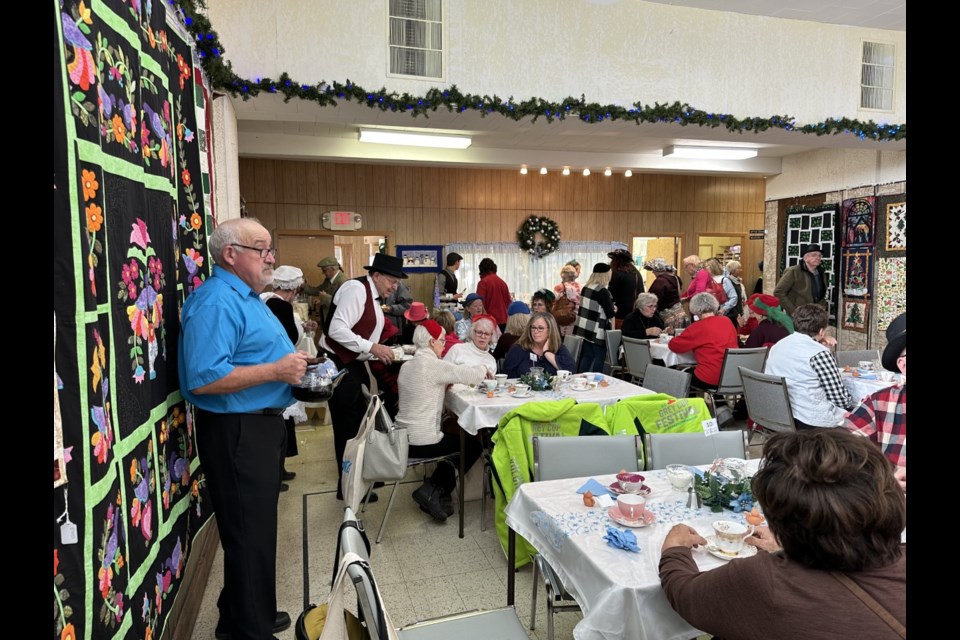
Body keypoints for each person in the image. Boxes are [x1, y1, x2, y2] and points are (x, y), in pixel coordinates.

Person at [179, 218, 310, 640]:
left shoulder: (248, 296)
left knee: (255, 532)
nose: (270, 257)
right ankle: (248, 630)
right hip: (237, 431)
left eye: (270, 249)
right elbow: (203, 377)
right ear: (230, 254)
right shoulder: (217, 301)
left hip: (259, 427)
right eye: (261, 248)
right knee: (248, 535)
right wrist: (276, 369)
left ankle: (246, 611)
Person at [659, 428, 906, 640]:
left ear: (777, 521)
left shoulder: (766, 581)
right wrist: (791, 546)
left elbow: (685, 594)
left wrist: (675, 550)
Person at [320, 253, 409, 501]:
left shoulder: (372, 295)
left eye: (397, 282)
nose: (395, 286)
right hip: (338, 364)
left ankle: (362, 477)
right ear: (376, 275)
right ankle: (348, 489)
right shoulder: (355, 289)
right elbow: (336, 330)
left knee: (360, 424)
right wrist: (373, 348)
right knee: (348, 429)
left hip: (352, 364)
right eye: (392, 280)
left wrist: (377, 349)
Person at [397, 320, 487, 521]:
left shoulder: (406, 366)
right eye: (441, 340)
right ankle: (434, 489)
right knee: (472, 446)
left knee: (455, 438)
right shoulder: (434, 366)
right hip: (423, 442)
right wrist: (484, 367)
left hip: (401, 438)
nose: (444, 344)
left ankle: (436, 491)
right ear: (430, 342)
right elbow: (473, 376)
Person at [260, 265, 319, 492]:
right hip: (280, 369)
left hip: (274, 365)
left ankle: (279, 468)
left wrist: (303, 326)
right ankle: (275, 471)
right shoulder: (280, 306)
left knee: (281, 423)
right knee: (279, 424)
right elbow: (286, 336)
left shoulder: (265, 300)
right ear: (293, 289)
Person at [765, 304, 855, 429]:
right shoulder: (819, 353)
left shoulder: (778, 346)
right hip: (809, 420)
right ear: (821, 331)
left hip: (779, 414)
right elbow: (840, 399)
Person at [844, 313, 906, 485]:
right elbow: (841, 452)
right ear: (903, 366)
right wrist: (885, 476)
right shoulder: (880, 403)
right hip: (889, 503)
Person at [668, 292, 738, 389]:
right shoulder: (727, 321)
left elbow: (674, 346)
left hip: (710, 378)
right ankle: (717, 401)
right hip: (731, 377)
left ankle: (690, 404)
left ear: (695, 310)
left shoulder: (698, 327)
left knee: (678, 373)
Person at [504, 311, 577, 377]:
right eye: (533, 328)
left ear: (550, 330)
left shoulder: (558, 348)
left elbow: (571, 371)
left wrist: (547, 353)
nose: (536, 331)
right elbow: (507, 378)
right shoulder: (518, 349)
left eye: (540, 328)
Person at [573, 263, 615, 373]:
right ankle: (597, 381)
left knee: (587, 356)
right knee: (599, 358)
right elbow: (610, 313)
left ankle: (580, 378)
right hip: (597, 329)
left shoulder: (586, 288)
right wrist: (614, 309)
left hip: (584, 328)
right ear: (605, 275)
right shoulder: (602, 291)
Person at [774, 243, 829, 314]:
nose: (818, 258)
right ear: (805, 258)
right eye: (814, 255)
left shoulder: (821, 273)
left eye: (819, 255)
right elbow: (778, 292)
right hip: (799, 315)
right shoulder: (793, 271)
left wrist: (822, 307)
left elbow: (822, 294)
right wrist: (793, 311)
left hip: (815, 315)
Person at [304, 256, 345, 327]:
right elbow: (318, 290)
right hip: (328, 318)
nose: (323, 273)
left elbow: (343, 304)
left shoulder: (343, 281)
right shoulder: (328, 279)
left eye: (324, 270)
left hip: (336, 321)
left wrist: (325, 298)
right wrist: (303, 286)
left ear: (332, 269)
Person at [643, 258, 685, 328]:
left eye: (653, 270)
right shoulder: (676, 278)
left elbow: (654, 299)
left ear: (658, 270)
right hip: (680, 315)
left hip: (668, 317)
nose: (653, 272)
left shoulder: (660, 281)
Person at [608, 248, 643, 329]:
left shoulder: (616, 273)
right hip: (635, 313)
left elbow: (611, 294)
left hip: (619, 315)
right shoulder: (636, 273)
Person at [476, 257, 512, 332]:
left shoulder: (483, 282)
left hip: (489, 321)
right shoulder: (502, 282)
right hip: (504, 321)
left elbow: (479, 304)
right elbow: (509, 302)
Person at [553, 264, 581, 337]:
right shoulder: (580, 287)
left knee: (562, 340)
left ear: (563, 275)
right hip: (576, 319)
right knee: (572, 343)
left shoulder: (560, 287)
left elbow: (552, 300)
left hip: (563, 318)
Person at [724, 259, 747, 327]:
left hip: (739, 309)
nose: (740, 270)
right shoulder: (728, 281)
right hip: (732, 312)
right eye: (738, 268)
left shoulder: (738, 280)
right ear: (733, 270)